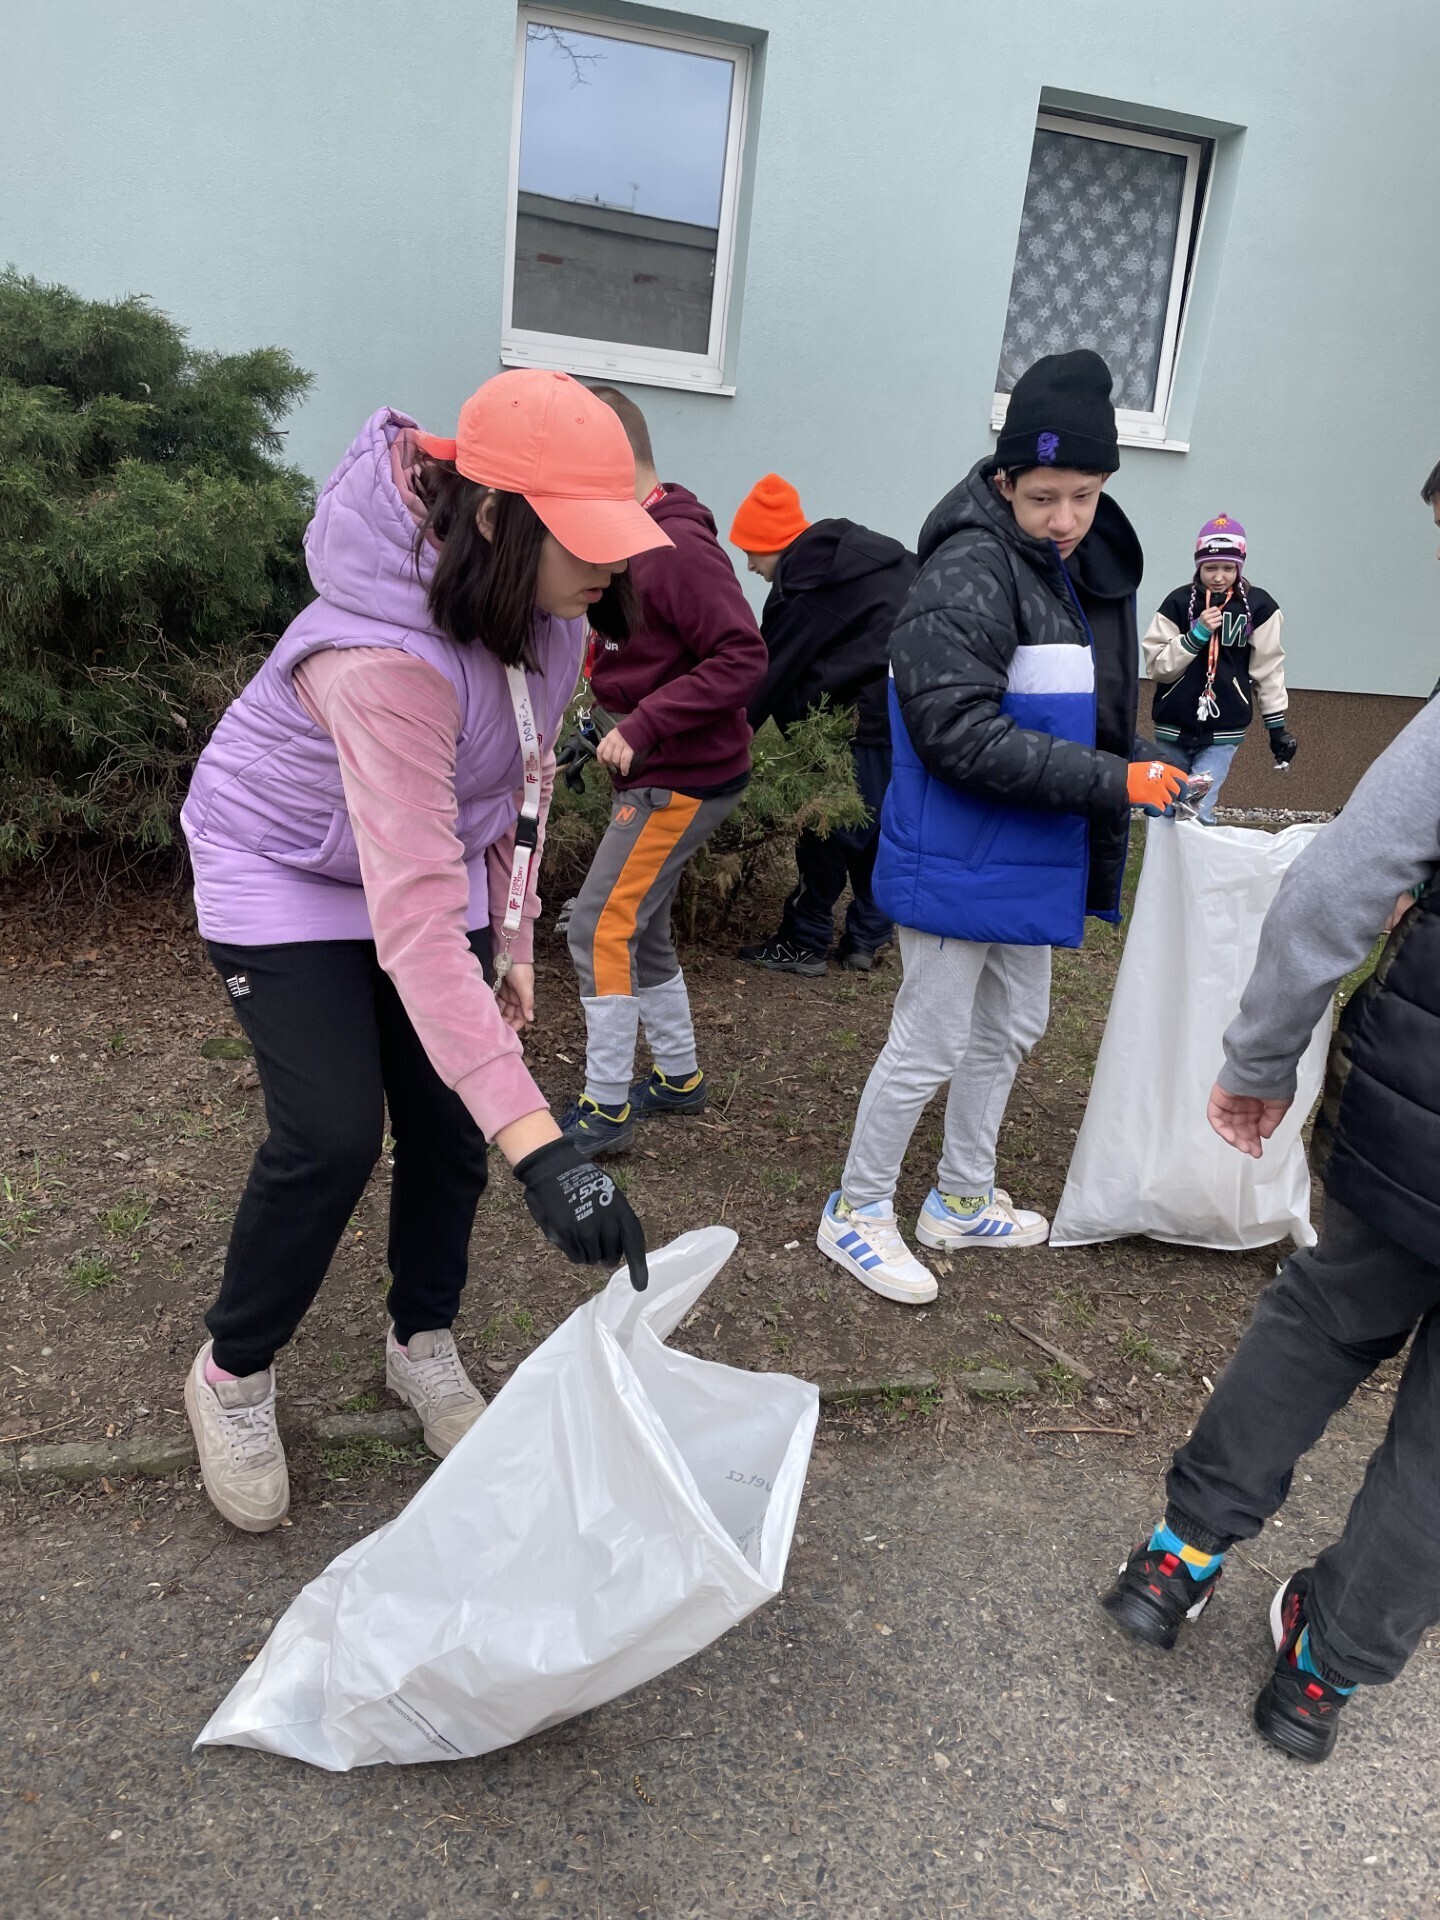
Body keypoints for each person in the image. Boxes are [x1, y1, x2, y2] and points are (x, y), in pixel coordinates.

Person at [179, 370, 659, 1533]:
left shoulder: (550, 617)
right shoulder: (381, 660)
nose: (611, 563)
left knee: (449, 1121)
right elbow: (411, 926)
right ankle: (231, 1373)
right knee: (332, 1133)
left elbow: (513, 789)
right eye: (586, 535)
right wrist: (547, 1156)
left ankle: (420, 1340)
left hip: (421, 866)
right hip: (283, 874)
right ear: (494, 517)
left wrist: (513, 935)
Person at [1102, 462, 1440, 1763]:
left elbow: (1337, 888)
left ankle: (1178, 1558)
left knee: (1323, 1315)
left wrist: (1259, 1061)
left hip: (1420, 1127)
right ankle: (1321, 1679)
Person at [816, 350, 1189, 1305]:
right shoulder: (969, 568)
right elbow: (956, 733)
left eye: (1085, 497)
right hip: (957, 853)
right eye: (1044, 497)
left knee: (1015, 1026)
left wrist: (1141, 755)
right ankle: (856, 1209)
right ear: (1002, 481)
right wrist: (1116, 780)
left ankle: (960, 1197)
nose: (1065, 519)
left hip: (1025, 851)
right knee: (928, 1041)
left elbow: (1068, 709)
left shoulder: (1060, 567)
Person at [559, 387, 767, 1155]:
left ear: (612, 463)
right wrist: (603, 719)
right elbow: (640, 656)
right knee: (639, 926)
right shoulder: (631, 538)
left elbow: (743, 654)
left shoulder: (673, 548)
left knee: (597, 927)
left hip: (678, 777)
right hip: (663, 765)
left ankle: (606, 1107)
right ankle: (679, 1079)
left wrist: (645, 725)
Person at [728, 474, 914, 975]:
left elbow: (768, 671)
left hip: (849, 725)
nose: (751, 566)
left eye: (751, 552)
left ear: (773, 542)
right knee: (872, 825)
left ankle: (804, 940)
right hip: (900, 713)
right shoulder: (873, 558)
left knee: (825, 828)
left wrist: (726, 735)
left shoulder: (804, 587)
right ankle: (867, 938)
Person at [1143, 514, 1297, 820]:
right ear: (1198, 565)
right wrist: (1195, 636)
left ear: (1240, 566)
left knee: (1197, 808)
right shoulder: (1177, 603)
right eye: (1210, 567)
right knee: (1163, 806)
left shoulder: (1260, 607)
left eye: (1228, 568)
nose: (1218, 576)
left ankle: (1196, 851)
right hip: (1173, 726)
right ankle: (1164, 853)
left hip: (1224, 729)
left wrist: (1277, 729)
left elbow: (1268, 670)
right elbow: (1157, 667)